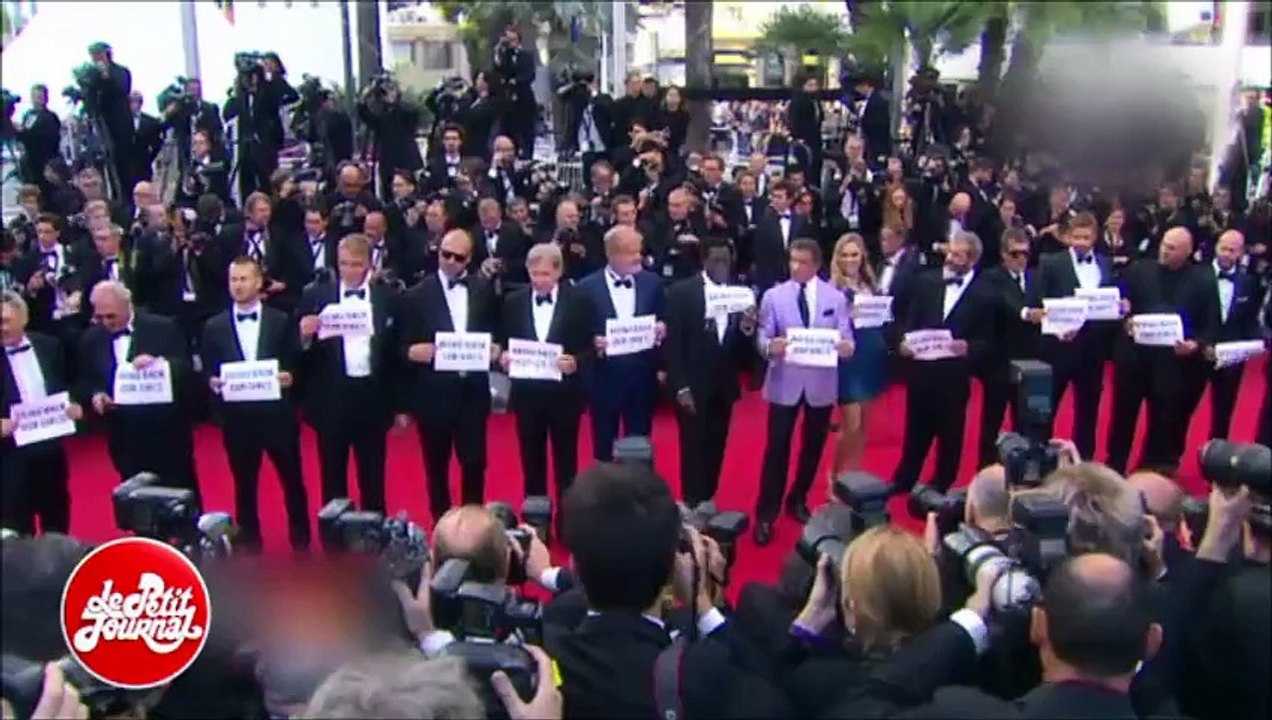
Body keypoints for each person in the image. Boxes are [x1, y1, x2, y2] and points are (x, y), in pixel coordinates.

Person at [201, 257, 310, 552]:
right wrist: (212, 383)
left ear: (259, 281)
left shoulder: (281, 320)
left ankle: (301, 536)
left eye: (244, 279)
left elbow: (297, 362)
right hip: (238, 419)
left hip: (277, 416)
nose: (238, 285)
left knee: (292, 479)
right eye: (233, 280)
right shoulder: (214, 326)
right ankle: (249, 538)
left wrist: (291, 376)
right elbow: (209, 370)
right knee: (244, 482)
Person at [753, 238, 855, 546]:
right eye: (792, 260)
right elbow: (762, 334)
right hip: (784, 381)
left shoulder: (835, 298)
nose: (795, 266)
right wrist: (770, 346)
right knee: (777, 449)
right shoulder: (774, 296)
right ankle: (766, 514)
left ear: (816, 265)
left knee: (813, 446)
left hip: (821, 384)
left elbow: (847, 336)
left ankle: (797, 499)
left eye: (802, 262)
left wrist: (847, 348)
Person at [296, 234, 400, 515]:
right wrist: (304, 335)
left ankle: (375, 534)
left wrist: (400, 406)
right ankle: (335, 541)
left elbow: (395, 356)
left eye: (356, 264)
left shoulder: (387, 298)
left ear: (368, 263)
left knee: (373, 475)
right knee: (332, 475)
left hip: (372, 396)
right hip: (331, 398)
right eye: (343, 264)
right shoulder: (315, 296)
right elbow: (298, 354)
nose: (350, 271)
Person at [400, 229, 499, 520]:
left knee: (475, 462)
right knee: (436, 465)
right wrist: (410, 352)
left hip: (472, 392)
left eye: (458, 257)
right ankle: (441, 522)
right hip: (433, 394)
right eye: (446, 254)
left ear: (469, 259)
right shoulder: (416, 296)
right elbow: (400, 346)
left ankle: (473, 524)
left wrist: (495, 348)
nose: (451, 261)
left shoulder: (482, 290)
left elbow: (495, 330)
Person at [1107, 226, 1217, 474]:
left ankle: (1152, 471)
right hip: (1134, 359)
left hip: (1172, 365)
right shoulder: (1139, 269)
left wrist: (1195, 345)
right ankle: (1114, 467)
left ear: (1187, 252)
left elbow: (1211, 325)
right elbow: (1118, 304)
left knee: (1163, 420)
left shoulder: (1203, 280)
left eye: (1171, 248)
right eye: (1164, 245)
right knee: (1122, 416)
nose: (1164, 251)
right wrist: (1123, 317)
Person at [892, 232, 994, 495]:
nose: (949, 257)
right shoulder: (926, 282)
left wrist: (969, 348)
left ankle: (942, 481)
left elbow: (990, 338)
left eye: (957, 254)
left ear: (972, 260)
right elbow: (908, 319)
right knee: (915, 427)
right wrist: (902, 341)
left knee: (951, 431)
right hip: (921, 370)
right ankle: (905, 476)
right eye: (950, 251)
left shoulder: (985, 293)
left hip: (954, 375)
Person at [78, 280, 199, 500]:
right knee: (137, 504)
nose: (105, 322)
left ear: (127, 305)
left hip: (167, 433)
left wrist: (161, 364)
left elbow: (187, 371)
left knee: (181, 499)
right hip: (123, 435)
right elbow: (85, 380)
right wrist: (96, 395)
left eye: (111, 316)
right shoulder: (91, 339)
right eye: (100, 317)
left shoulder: (163, 327)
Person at [499, 244, 592, 513]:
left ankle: (568, 519)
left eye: (545, 274)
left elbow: (590, 346)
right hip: (527, 395)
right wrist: (503, 357)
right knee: (531, 458)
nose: (539, 280)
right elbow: (503, 343)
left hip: (565, 396)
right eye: (534, 273)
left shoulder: (578, 301)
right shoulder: (512, 302)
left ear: (559, 271)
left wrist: (576, 361)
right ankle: (535, 520)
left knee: (567, 462)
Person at [664, 238, 756, 508]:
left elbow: (741, 348)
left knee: (717, 444)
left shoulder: (741, 295)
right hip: (691, 386)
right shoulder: (682, 292)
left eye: (726, 261)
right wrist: (680, 387)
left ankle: (709, 497)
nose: (721, 266)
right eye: (716, 260)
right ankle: (692, 501)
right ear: (704, 261)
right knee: (692, 446)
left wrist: (748, 327)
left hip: (723, 386)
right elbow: (674, 345)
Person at [1029, 212, 1120, 461]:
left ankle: (1085, 463)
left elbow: (1110, 303)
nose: (1080, 242)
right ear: (1068, 236)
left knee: (1088, 411)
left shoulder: (1106, 263)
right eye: (1076, 237)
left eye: (1086, 237)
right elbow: (1038, 303)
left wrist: (1120, 307)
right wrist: (1057, 327)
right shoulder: (1050, 262)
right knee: (1046, 409)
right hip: (1057, 349)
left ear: (1095, 237)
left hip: (1092, 351)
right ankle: (1041, 460)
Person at [576, 225, 665, 462]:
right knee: (603, 447)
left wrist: (662, 329)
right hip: (603, 379)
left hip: (641, 377)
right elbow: (576, 333)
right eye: (630, 253)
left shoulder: (652, 282)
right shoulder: (586, 288)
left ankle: (638, 495)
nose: (638, 257)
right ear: (611, 255)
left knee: (640, 447)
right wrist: (592, 342)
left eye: (639, 251)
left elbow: (663, 319)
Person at [0, 292, 81, 535]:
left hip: (50, 451)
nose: (0, 328)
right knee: (16, 524)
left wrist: (75, 405)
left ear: (23, 319)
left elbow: (68, 385)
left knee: (56, 517)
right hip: (9, 457)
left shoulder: (49, 345)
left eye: (5, 321)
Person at [1181, 230, 1262, 439]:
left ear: (1241, 253)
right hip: (1197, 354)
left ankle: (1217, 459)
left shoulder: (1249, 283)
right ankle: (1170, 457)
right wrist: (1200, 343)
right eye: (1223, 248)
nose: (1226, 254)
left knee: (1224, 413)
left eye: (1232, 250)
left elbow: (1250, 320)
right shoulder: (1196, 276)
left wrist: (1261, 341)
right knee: (1183, 408)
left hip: (1231, 357)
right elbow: (1187, 314)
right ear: (1216, 247)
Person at [976, 228, 1041, 468]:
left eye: (1025, 253)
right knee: (992, 419)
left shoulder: (1036, 277)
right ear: (1003, 254)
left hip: (1031, 360)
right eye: (1015, 254)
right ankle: (985, 468)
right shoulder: (990, 278)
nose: (1021, 259)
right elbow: (1002, 303)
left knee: (1028, 419)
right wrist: (1025, 313)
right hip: (1000, 362)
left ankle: (1025, 468)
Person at [828, 233, 887, 481]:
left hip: (871, 354)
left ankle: (853, 475)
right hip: (849, 360)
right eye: (845, 254)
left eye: (854, 254)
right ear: (837, 258)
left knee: (863, 424)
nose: (850, 259)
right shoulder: (832, 288)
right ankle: (834, 476)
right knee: (850, 423)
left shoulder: (870, 284)